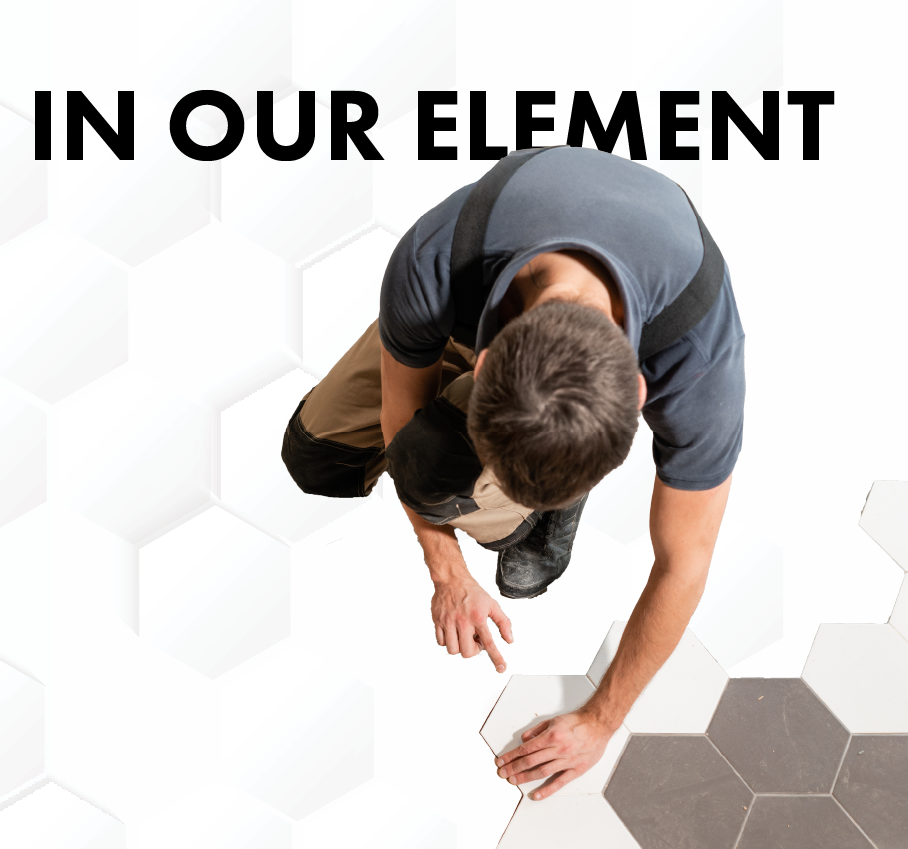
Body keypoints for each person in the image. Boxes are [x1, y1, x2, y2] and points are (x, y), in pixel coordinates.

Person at [282, 145, 745, 799]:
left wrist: (601, 719)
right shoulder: (435, 259)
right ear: (486, 358)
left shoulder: (697, 355)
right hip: (476, 304)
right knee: (318, 459)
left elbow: (685, 562)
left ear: (642, 394)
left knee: (527, 568)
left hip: (581, 316)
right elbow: (400, 419)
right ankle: (535, 472)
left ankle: (553, 485)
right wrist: (449, 575)